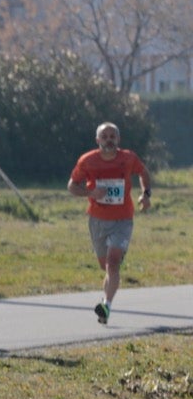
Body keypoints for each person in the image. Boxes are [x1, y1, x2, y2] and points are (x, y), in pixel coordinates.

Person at [67, 121, 151, 325]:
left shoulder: (128, 157)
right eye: (104, 137)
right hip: (97, 220)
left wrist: (145, 194)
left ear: (118, 140)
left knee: (112, 263)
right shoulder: (87, 160)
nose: (109, 140)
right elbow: (72, 186)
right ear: (97, 140)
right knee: (104, 265)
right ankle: (106, 301)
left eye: (112, 136)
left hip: (122, 219)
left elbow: (143, 173)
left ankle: (107, 305)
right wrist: (90, 192)